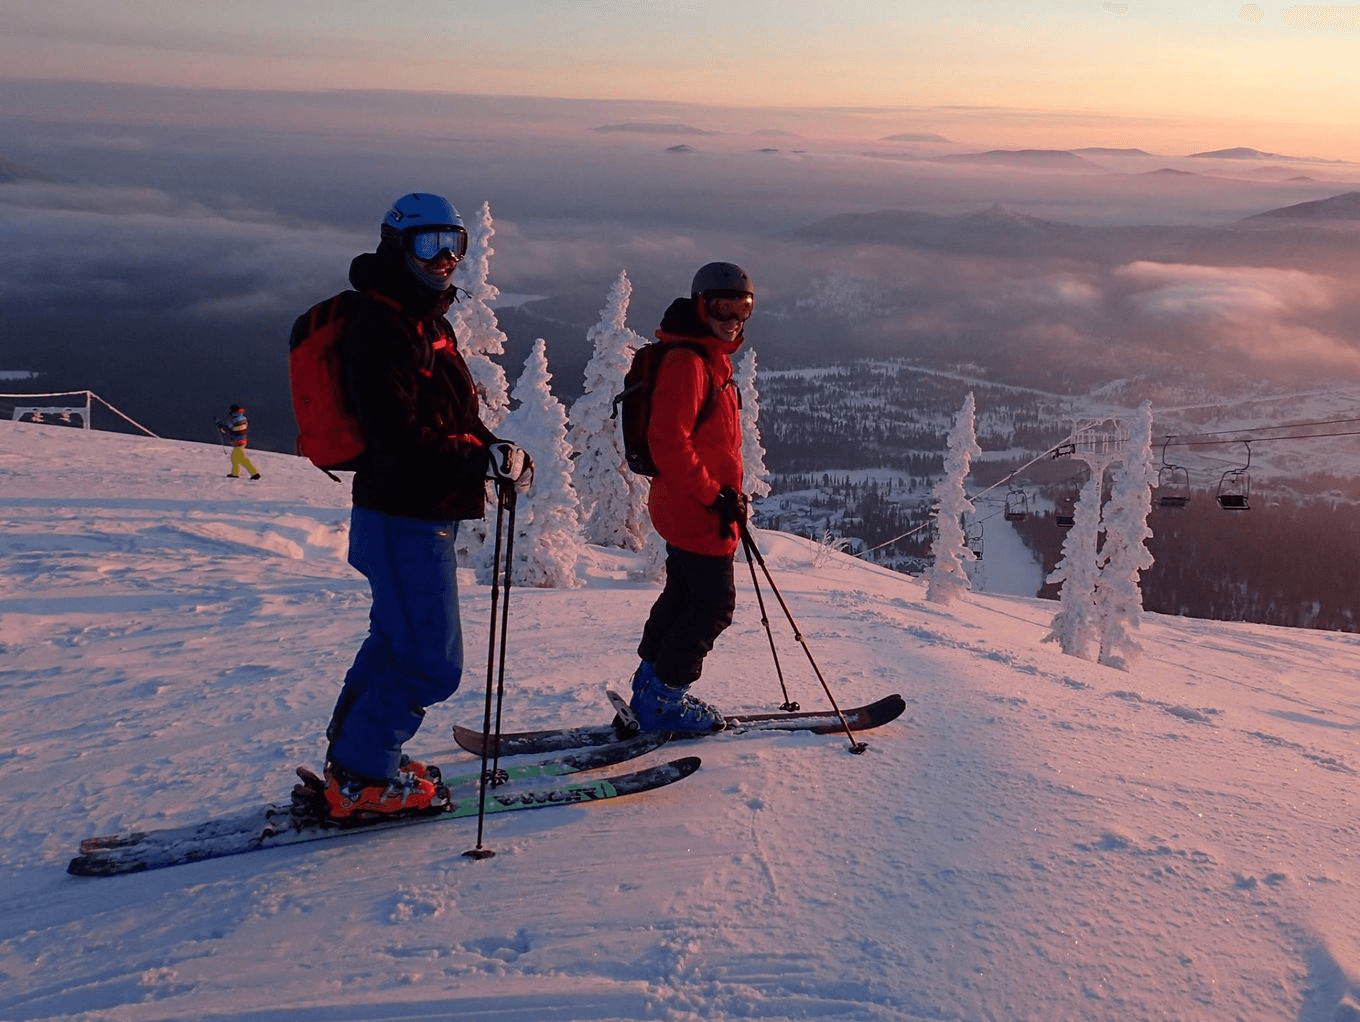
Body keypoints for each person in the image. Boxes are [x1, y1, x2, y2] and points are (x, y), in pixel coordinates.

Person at [318, 192, 532, 819]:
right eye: (429, 245)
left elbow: (454, 418)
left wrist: (495, 450)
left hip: (411, 515)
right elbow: (398, 436)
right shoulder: (380, 325)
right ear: (396, 245)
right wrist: (475, 461)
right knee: (432, 663)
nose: (445, 260)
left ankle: (358, 761)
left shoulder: (422, 321)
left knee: (394, 643)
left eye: (455, 245)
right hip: (402, 517)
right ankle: (361, 778)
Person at [628, 262, 754, 733]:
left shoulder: (704, 356)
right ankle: (663, 699)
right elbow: (669, 441)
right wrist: (715, 495)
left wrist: (722, 495)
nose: (733, 319)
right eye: (723, 307)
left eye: (743, 308)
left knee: (682, 596)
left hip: (689, 506)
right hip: (695, 508)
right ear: (701, 306)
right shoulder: (689, 362)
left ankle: (649, 684)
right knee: (712, 606)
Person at [216, 404, 262, 480]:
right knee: (235, 457)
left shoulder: (233, 420)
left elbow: (226, 429)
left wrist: (220, 425)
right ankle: (235, 473)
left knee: (242, 459)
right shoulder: (243, 418)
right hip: (243, 440)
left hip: (237, 442)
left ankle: (255, 473)